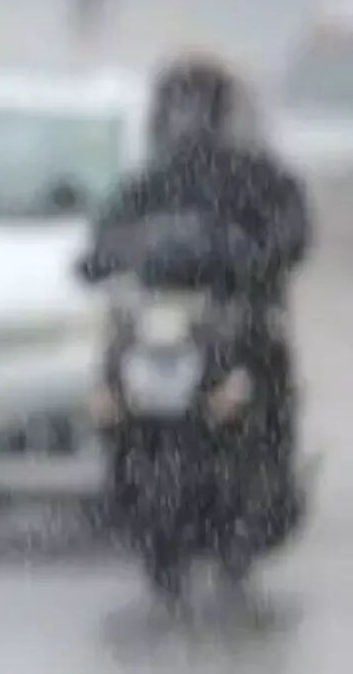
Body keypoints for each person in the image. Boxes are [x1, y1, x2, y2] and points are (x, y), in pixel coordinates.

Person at [82, 51, 311, 557]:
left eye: (198, 106)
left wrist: (261, 256)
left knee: (269, 370)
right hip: (162, 316)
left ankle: (270, 481)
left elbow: (293, 229)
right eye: (181, 107)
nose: (190, 121)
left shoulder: (259, 177)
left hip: (239, 312)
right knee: (110, 379)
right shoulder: (155, 179)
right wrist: (100, 257)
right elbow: (109, 231)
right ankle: (121, 476)